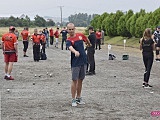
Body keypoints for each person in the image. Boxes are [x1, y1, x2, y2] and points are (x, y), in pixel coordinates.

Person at [66, 23, 92, 107]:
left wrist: (88, 44)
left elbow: (86, 39)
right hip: (75, 62)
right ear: (67, 30)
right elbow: (70, 47)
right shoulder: (69, 40)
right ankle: (73, 99)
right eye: (69, 29)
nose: (71, 31)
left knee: (81, 79)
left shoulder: (80, 36)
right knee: (75, 80)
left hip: (83, 61)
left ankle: (78, 97)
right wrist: (75, 52)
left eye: (72, 29)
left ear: (74, 29)